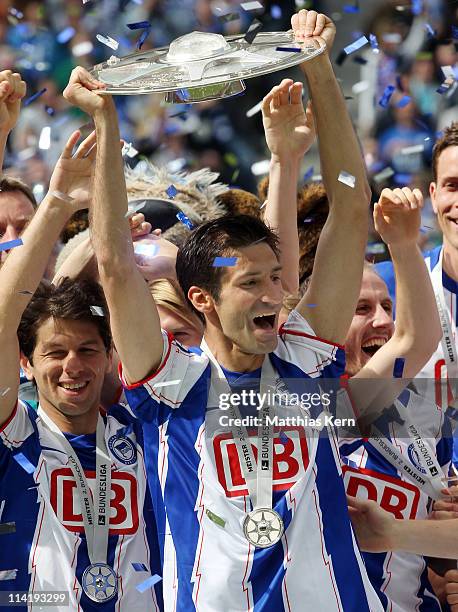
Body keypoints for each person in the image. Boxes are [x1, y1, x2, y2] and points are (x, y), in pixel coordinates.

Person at [63, 8, 386, 611]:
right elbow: (114, 265)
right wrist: (106, 123)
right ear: (202, 300)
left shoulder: (307, 354)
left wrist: (317, 67)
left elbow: (350, 205)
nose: (273, 295)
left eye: (275, 279)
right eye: (251, 284)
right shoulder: (169, 381)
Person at [0, 131, 162, 610]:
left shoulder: (148, 434)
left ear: (112, 356)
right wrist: (55, 204)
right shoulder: (14, 433)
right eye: (55, 353)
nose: (73, 365)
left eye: (88, 350)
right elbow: (6, 316)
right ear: (24, 362)